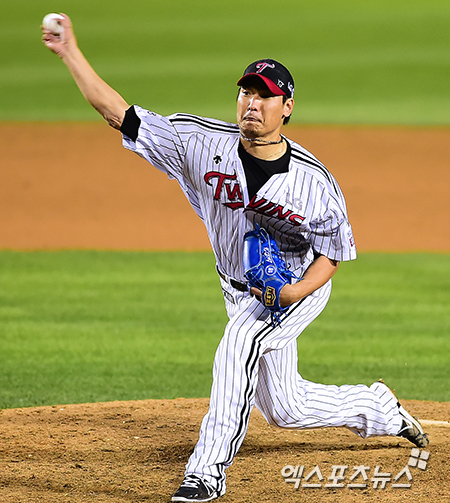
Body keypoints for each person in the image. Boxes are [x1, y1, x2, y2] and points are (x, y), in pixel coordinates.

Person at [42, 14, 429, 503]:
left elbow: (333, 254)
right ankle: (380, 410)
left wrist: (293, 291)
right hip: (238, 286)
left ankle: (206, 473)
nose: (253, 102)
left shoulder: (314, 183)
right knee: (286, 407)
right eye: (247, 92)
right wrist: (70, 52)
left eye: (266, 95)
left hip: (293, 284)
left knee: (238, 344)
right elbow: (119, 114)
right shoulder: (199, 144)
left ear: (287, 107)